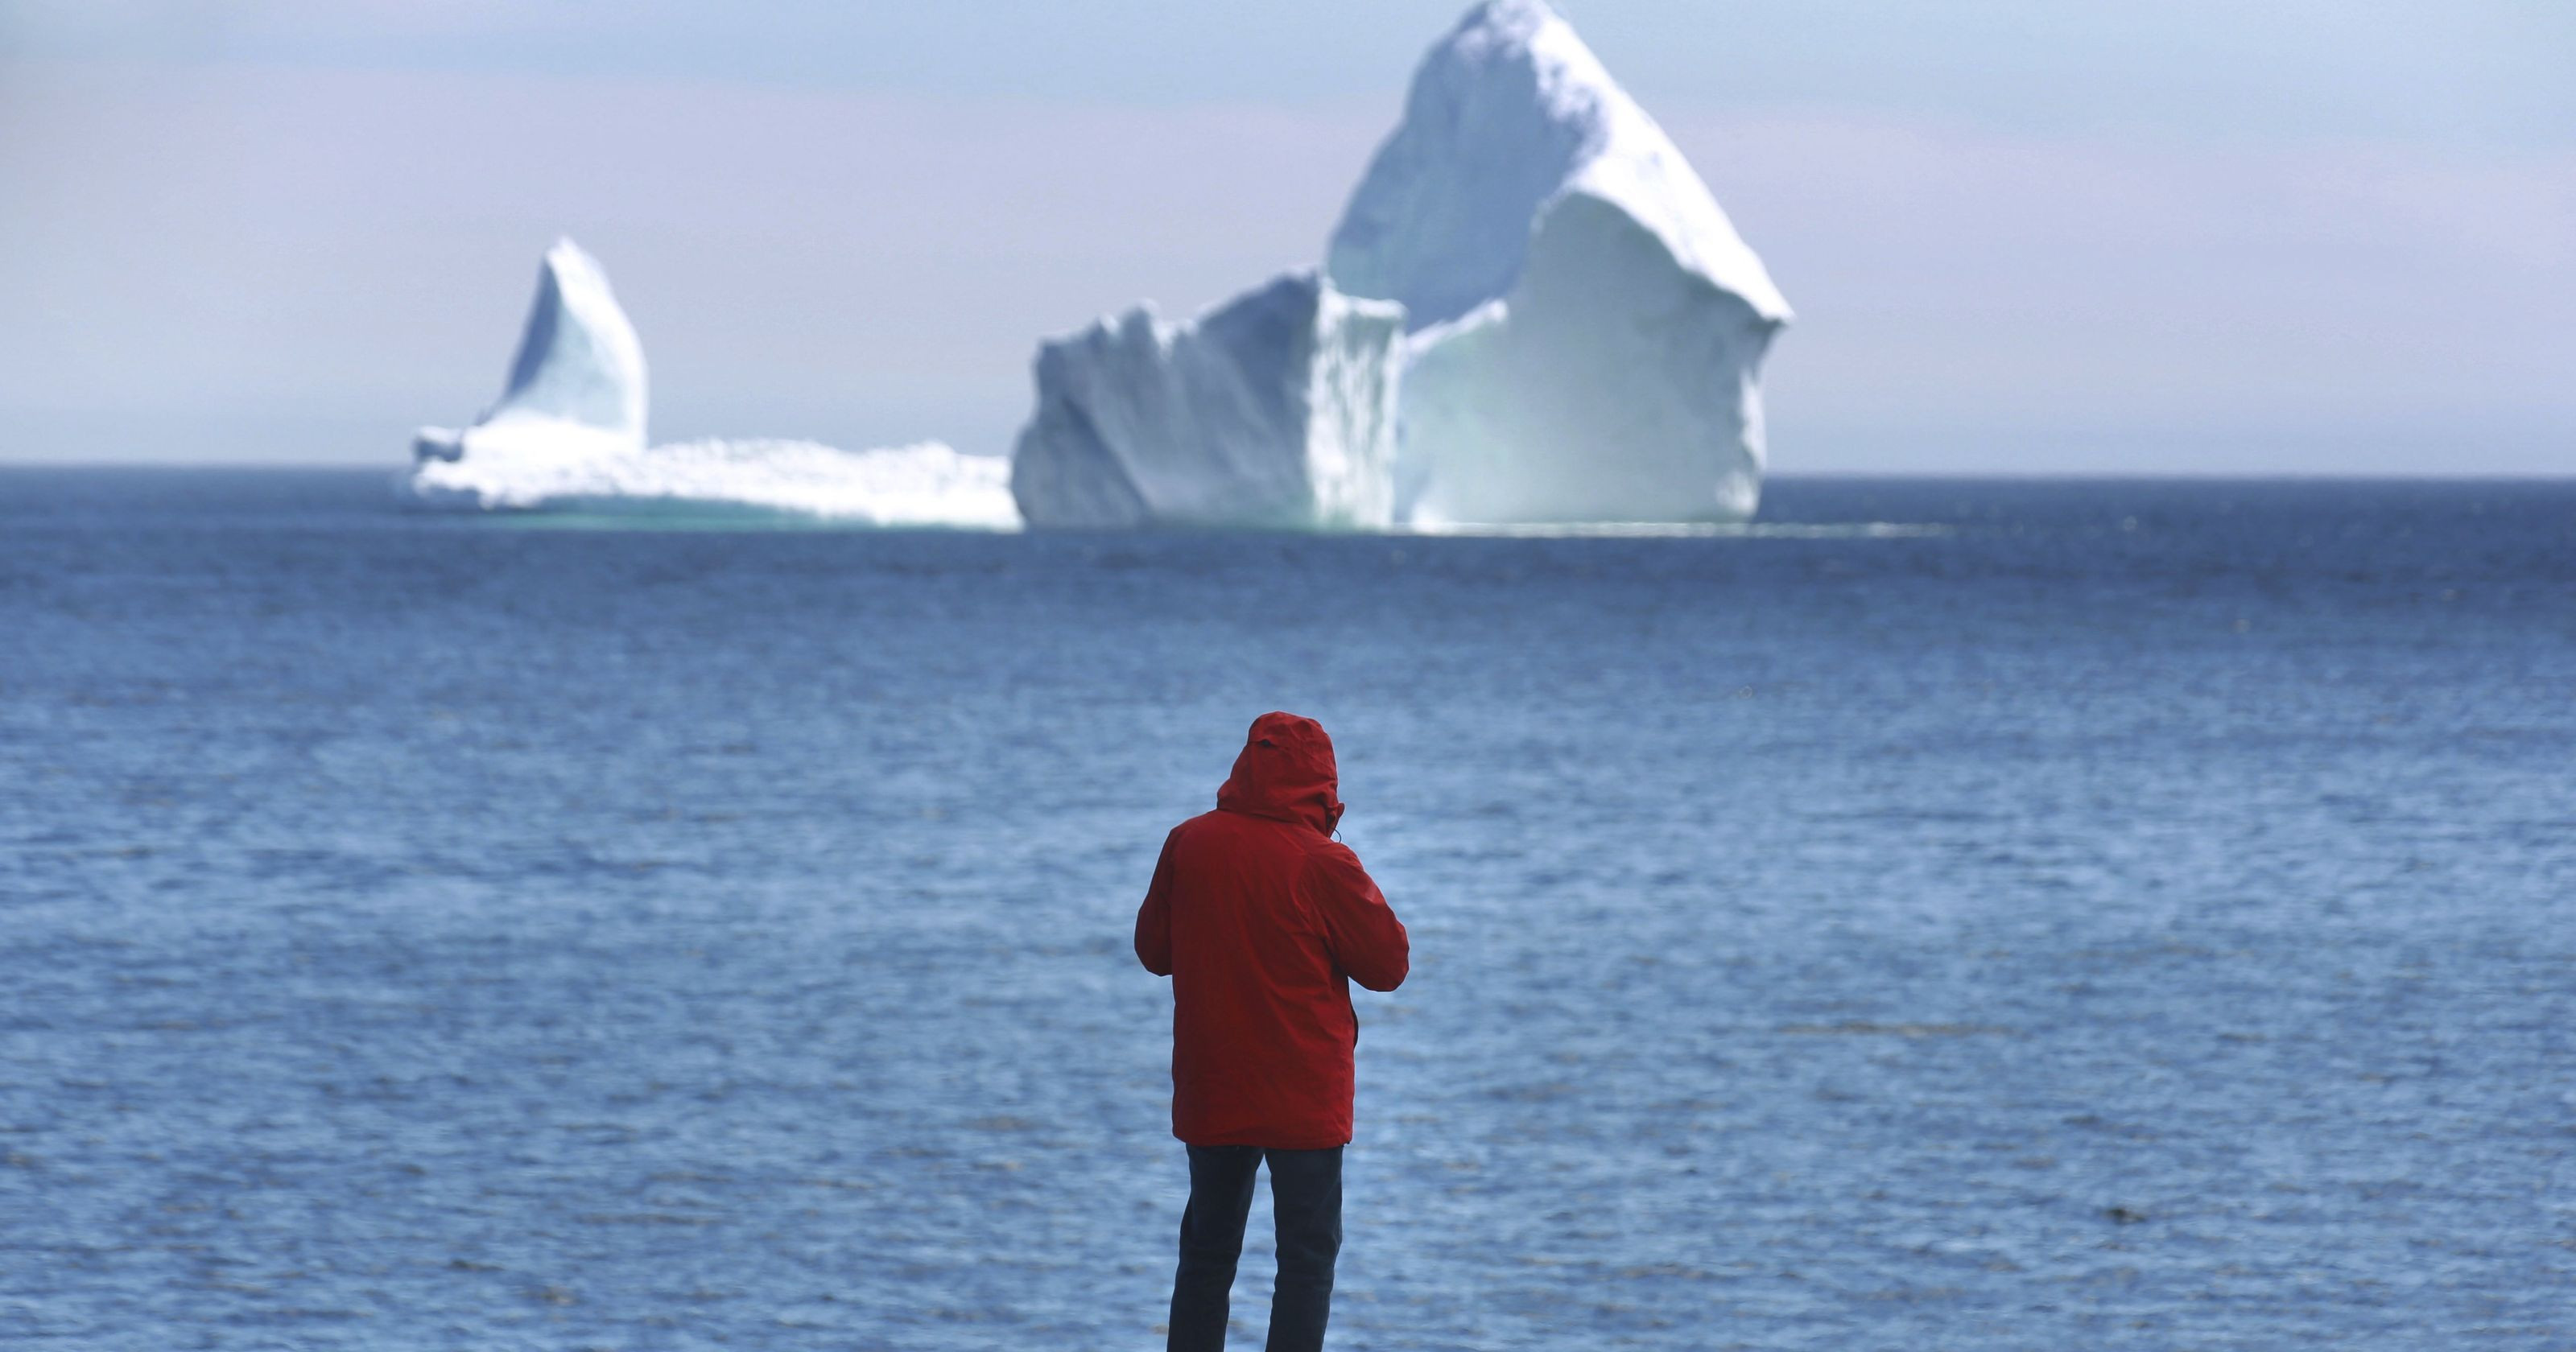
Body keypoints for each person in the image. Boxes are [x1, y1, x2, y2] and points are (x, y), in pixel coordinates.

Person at [1135, 712, 1410, 1352]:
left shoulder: (1189, 842)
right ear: (1323, 782)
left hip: (1215, 1083)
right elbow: (1388, 966)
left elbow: (1153, 951)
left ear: (1245, 766)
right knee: (1306, 1263)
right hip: (1302, 1096)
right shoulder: (1324, 863)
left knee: (1206, 1255)